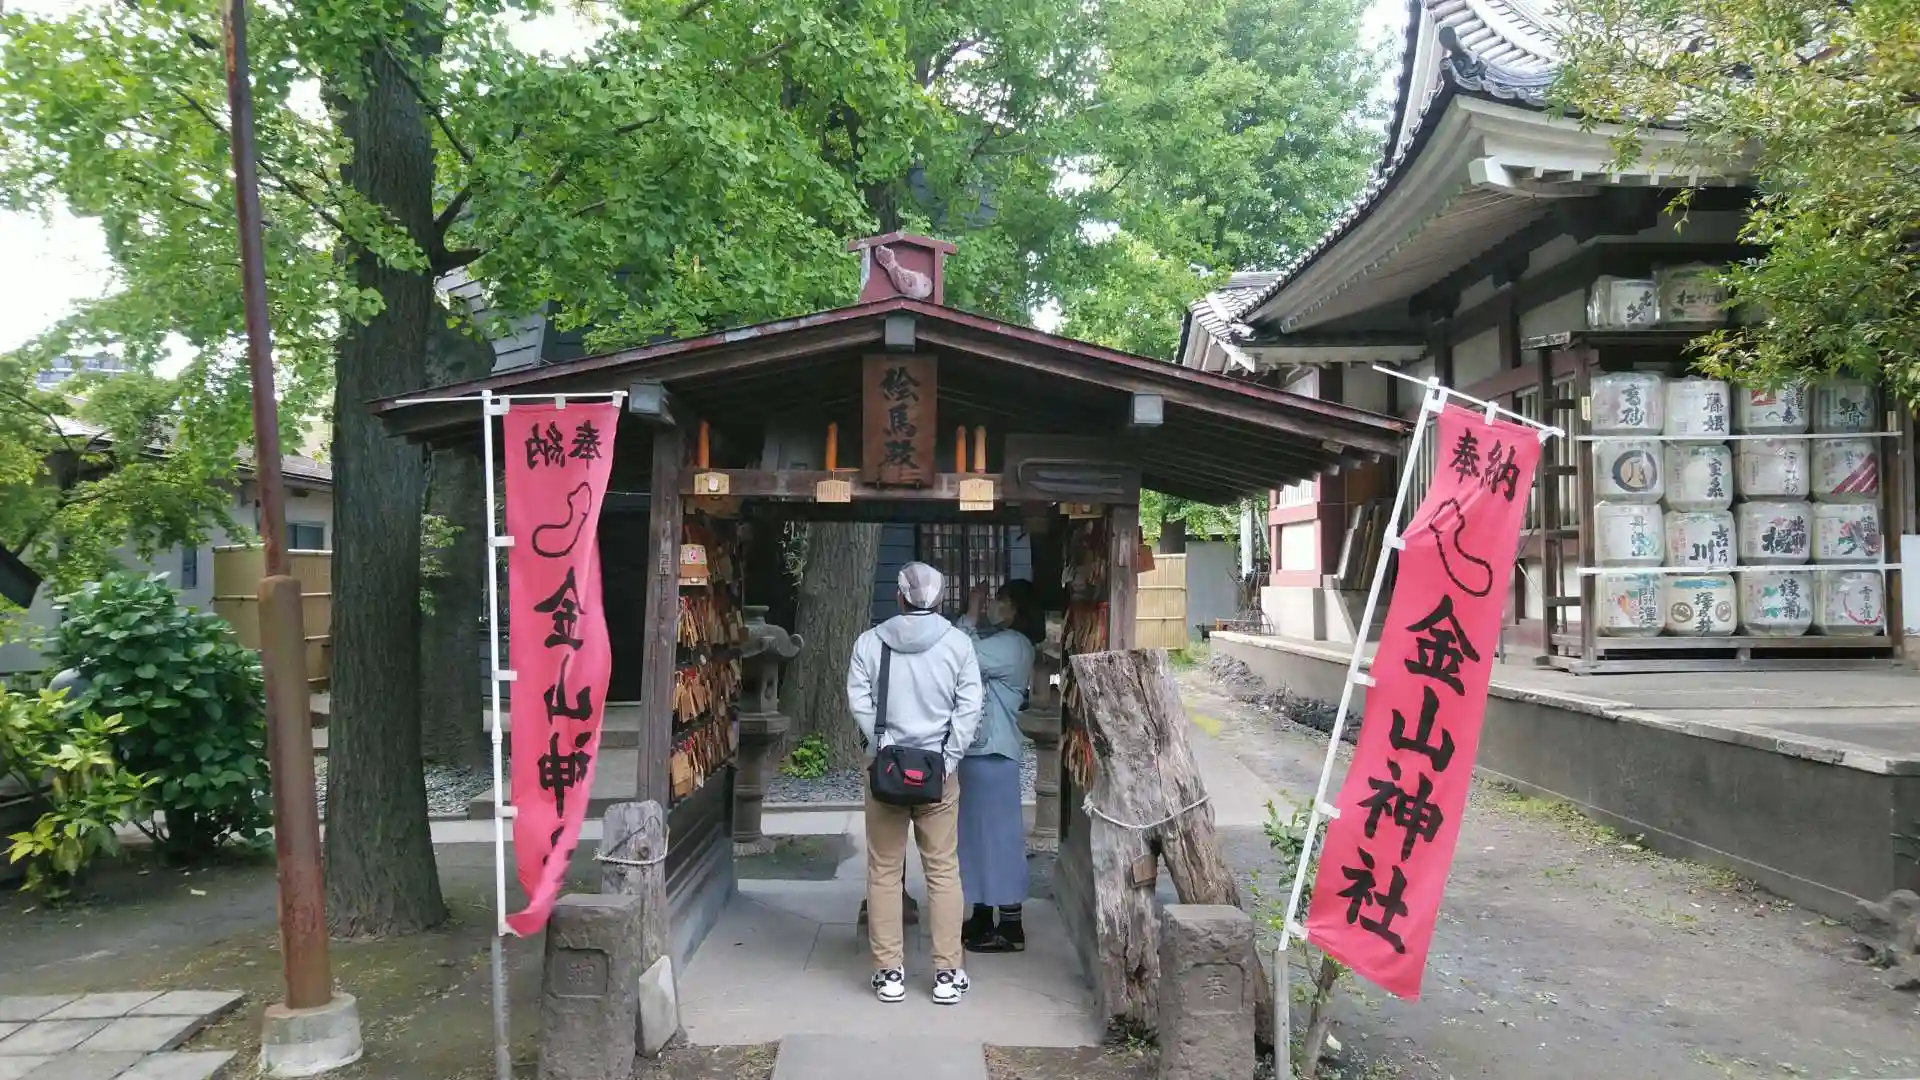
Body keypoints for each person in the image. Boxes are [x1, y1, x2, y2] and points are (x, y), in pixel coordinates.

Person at [847, 562, 983, 1005]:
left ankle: (889, 973)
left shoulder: (870, 642)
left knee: (884, 870)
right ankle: (947, 974)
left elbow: (859, 700)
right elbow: (969, 707)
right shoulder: (958, 645)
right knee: (942, 871)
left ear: (899, 597)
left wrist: (882, 745)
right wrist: (949, 758)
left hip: (885, 770)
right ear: (940, 600)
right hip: (937, 772)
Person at [957, 578, 1042, 953]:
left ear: (1015, 609)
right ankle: (982, 913)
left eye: (999, 599)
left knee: (997, 840)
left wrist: (971, 615)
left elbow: (961, 656)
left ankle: (1010, 925)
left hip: (992, 751)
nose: (993, 604)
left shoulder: (1012, 644)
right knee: (979, 838)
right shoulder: (1009, 642)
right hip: (985, 751)